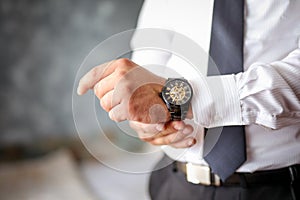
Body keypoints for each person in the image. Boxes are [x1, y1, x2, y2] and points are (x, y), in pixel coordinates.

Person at [77, 0, 300, 199]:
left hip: (280, 187)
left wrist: (178, 97)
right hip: (176, 184)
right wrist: (148, 124)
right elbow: (147, 72)